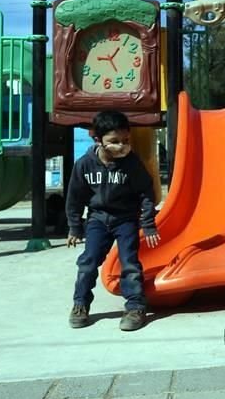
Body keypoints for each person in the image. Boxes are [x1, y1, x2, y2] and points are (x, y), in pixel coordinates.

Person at [65, 110, 161, 332]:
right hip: (97, 219)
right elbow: (75, 196)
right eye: (114, 142)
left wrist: (147, 224)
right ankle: (80, 304)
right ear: (98, 140)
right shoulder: (84, 165)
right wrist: (74, 227)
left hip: (125, 219)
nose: (121, 146)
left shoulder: (131, 163)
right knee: (88, 262)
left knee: (129, 262)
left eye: (125, 140)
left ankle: (135, 307)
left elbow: (146, 193)